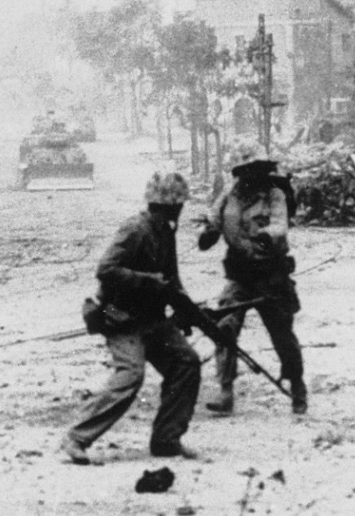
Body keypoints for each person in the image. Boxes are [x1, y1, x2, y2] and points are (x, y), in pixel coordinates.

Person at [64, 172, 201, 464]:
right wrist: (149, 281)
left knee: (186, 362)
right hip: (117, 315)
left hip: (151, 319)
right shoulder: (135, 229)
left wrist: (186, 309)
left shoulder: (166, 232)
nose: (179, 209)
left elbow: (172, 279)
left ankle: (167, 438)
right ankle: (77, 436)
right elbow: (106, 270)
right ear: (165, 205)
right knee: (131, 374)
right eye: (175, 205)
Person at [197, 156, 307, 416]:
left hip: (271, 275)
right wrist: (208, 232)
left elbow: (280, 225)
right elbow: (213, 221)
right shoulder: (229, 196)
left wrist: (266, 236)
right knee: (224, 328)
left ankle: (297, 386)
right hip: (240, 275)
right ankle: (225, 391)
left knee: (282, 333)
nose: (252, 177)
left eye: (258, 171)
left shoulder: (274, 195)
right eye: (247, 172)